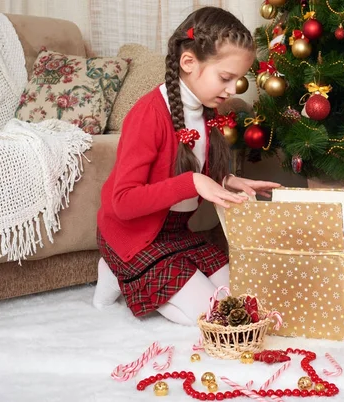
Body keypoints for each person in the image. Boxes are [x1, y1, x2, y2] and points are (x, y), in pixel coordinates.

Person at [93, 7, 280, 326]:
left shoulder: (207, 110)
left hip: (175, 233)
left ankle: (125, 274)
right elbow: (122, 203)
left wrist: (228, 180)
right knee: (216, 316)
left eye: (238, 79)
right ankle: (114, 267)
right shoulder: (148, 114)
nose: (233, 90)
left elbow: (192, 166)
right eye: (226, 77)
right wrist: (192, 182)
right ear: (189, 62)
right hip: (134, 236)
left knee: (244, 301)